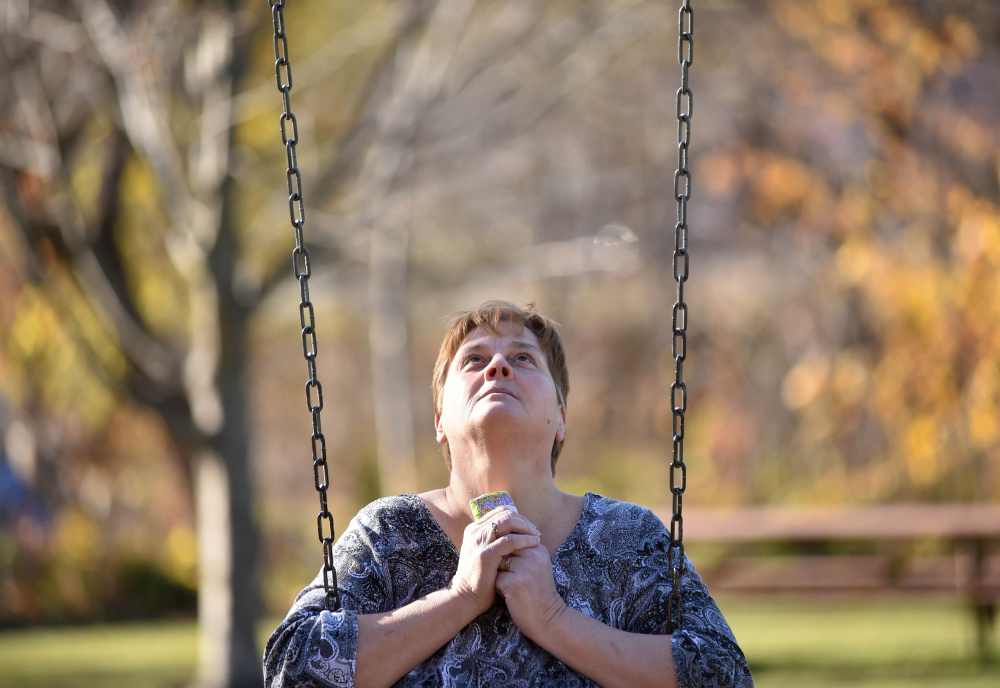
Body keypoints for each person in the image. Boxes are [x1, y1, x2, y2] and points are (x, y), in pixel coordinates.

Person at [264, 301, 753, 688]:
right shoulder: (387, 534)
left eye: (523, 358)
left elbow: (723, 674)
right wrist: (458, 598)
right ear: (440, 422)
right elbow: (290, 668)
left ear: (561, 417)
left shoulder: (626, 536)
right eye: (473, 360)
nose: (497, 366)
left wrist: (552, 618)